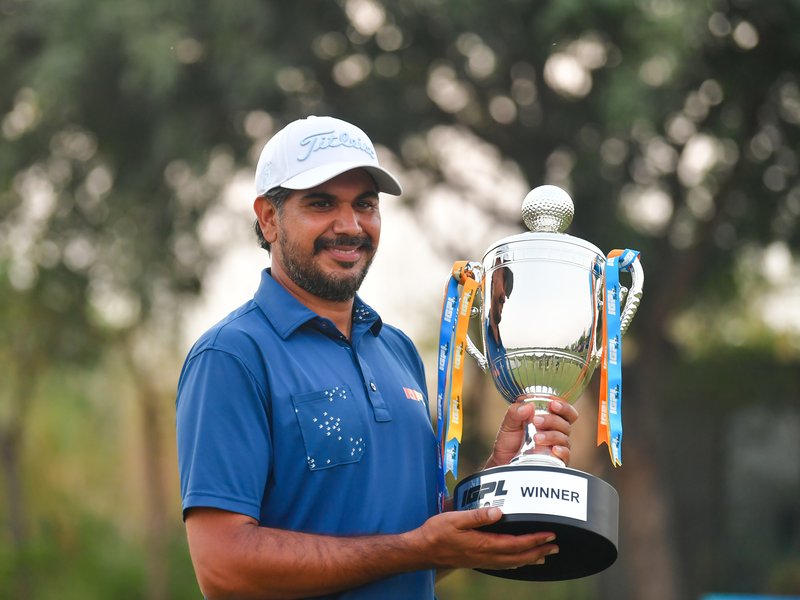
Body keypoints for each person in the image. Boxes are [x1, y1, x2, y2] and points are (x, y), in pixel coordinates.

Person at [176, 115, 578, 599]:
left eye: (365, 204)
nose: (349, 226)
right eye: (321, 204)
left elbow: (418, 556)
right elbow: (223, 569)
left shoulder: (398, 350)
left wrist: (498, 478)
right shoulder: (232, 356)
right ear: (268, 217)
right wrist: (416, 549)